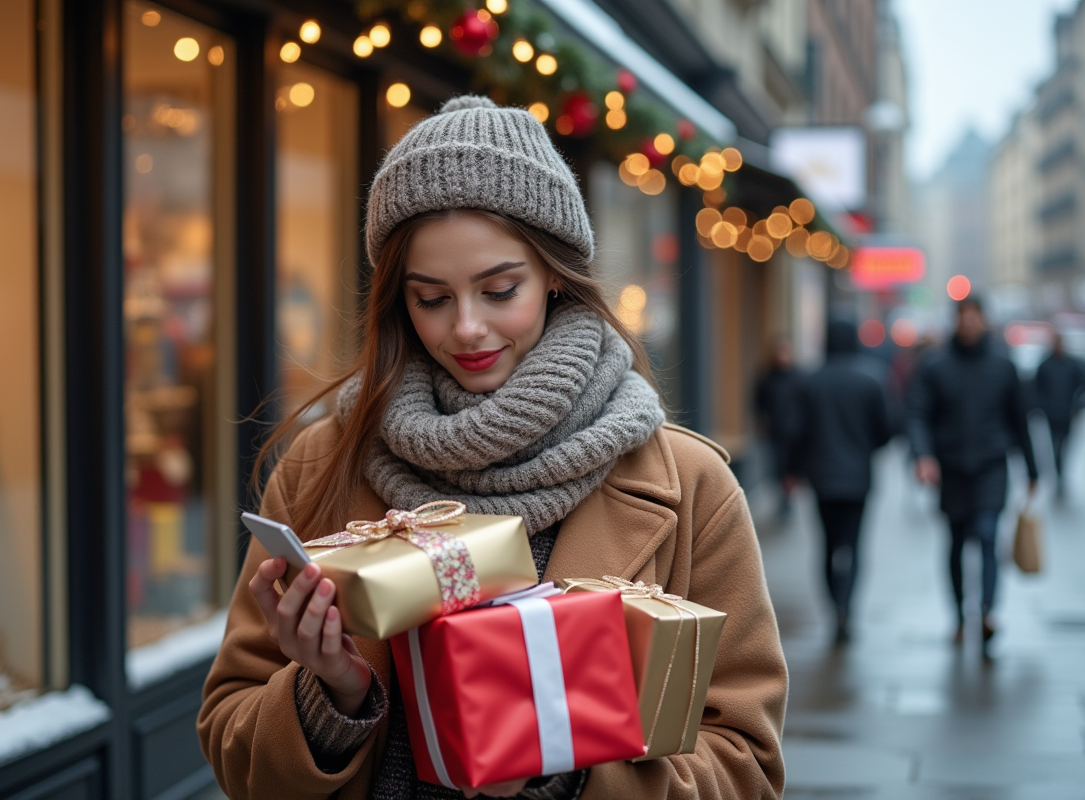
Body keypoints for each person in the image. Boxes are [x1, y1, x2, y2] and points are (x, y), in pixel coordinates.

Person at [197, 96, 787, 800]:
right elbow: (231, 742)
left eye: (499, 289)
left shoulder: (690, 485)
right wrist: (331, 696)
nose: (467, 328)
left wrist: (559, 769)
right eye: (431, 298)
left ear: (554, 276)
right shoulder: (323, 464)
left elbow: (747, 764)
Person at [907, 296, 1037, 647]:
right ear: (955, 321)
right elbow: (918, 414)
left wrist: (1033, 469)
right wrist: (923, 456)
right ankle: (960, 615)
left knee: (988, 535)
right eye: (963, 317)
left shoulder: (1002, 365)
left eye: (974, 317)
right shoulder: (935, 366)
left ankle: (988, 611)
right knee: (956, 542)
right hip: (951, 469)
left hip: (991, 465)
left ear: (984, 320)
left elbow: (1020, 419)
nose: (969, 324)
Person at [790, 320, 891, 644]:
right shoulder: (871, 379)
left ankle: (834, 607)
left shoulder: (810, 382)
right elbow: (887, 429)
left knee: (828, 545)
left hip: (822, 477)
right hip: (858, 477)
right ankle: (848, 606)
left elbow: (797, 432)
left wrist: (792, 470)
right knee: (854, 544)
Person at [754, 337, 802, 522]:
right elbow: (759, 403)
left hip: (795, 434)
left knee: (790, 468)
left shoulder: (798, 377)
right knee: (777, 467)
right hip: (775, 432)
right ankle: (783, 499)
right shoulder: (768, 378)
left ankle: (787, 500)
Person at [1034, 332, 1085, 497]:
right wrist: (1042, 406)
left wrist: (1077, 405)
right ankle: (1058, 474)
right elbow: (1037, 387)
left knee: (1064, 445)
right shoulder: (1046, 365)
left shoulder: (1073, 365)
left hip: (1067, 414)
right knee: (1055, 446)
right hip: (1052, 414)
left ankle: (1060, 474)